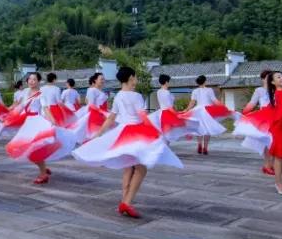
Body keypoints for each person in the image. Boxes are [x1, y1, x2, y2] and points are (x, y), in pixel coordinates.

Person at [72, 66, 183, 218]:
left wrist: (98, 135)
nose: (136, 79)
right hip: (136, 132)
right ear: (131, 77)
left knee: (128, 168)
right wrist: (155, 131)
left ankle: (124, 201)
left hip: (123, 133)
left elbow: (111, 118)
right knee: (141, 169)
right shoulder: (136, 96)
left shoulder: (118, 96)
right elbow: (143, 116)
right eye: (135, 76)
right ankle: (127, 203)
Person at [2, 72, 76, 185]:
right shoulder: (25, 93)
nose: (31, 81)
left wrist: (52, 120)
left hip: (36, 121)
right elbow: (19, 106)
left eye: (34, 79)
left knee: (32, 149)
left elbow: (46, 108)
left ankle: (43, 174)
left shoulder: (41, 94)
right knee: (27, 149)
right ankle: (43, 168)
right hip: (28, 123)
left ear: (39, 81)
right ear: (27, 81)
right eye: (30, 79)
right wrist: (8, 114)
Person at [233, 71, 277, 175]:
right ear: (262, 79)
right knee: (267, 142)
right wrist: (244, 113)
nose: (269, 79)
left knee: (275, 142)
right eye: (267, 77)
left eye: (271, 77)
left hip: (276, 117)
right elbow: (252, 103)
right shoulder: (259, 90)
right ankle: (267, 166)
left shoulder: (276, 89)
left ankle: (272, 165)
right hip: (264, 119)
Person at [182, 75, 231, 154]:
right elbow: (214, 100)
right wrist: (223, 106)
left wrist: (187, 109)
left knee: (199, 128)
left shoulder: (195, 91)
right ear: (205, 81)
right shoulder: (209, 90)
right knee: (207, 129)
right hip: (207, 111)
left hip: (198, 111)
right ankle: (205, 147)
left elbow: (192, 102)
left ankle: (199, 144)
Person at [147, 74, 192, 143]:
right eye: (168, 82)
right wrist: (177, 113)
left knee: (166, 133)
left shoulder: (159, 91)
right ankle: (187, 135)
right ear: (166, 82)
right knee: (175, 129)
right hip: (168, 113)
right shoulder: (166, 92)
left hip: (162, 113)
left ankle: (164, 148)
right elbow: (169, 107)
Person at [70, 72, 109, 143]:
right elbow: (91, 105)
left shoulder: (101, 91)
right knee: (96, 138)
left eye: (103, 79)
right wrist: (102, 113)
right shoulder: (92, 90)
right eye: (101, 79)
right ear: (95, 80)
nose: (103, 81)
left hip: (103, 116)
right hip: (96, 116)